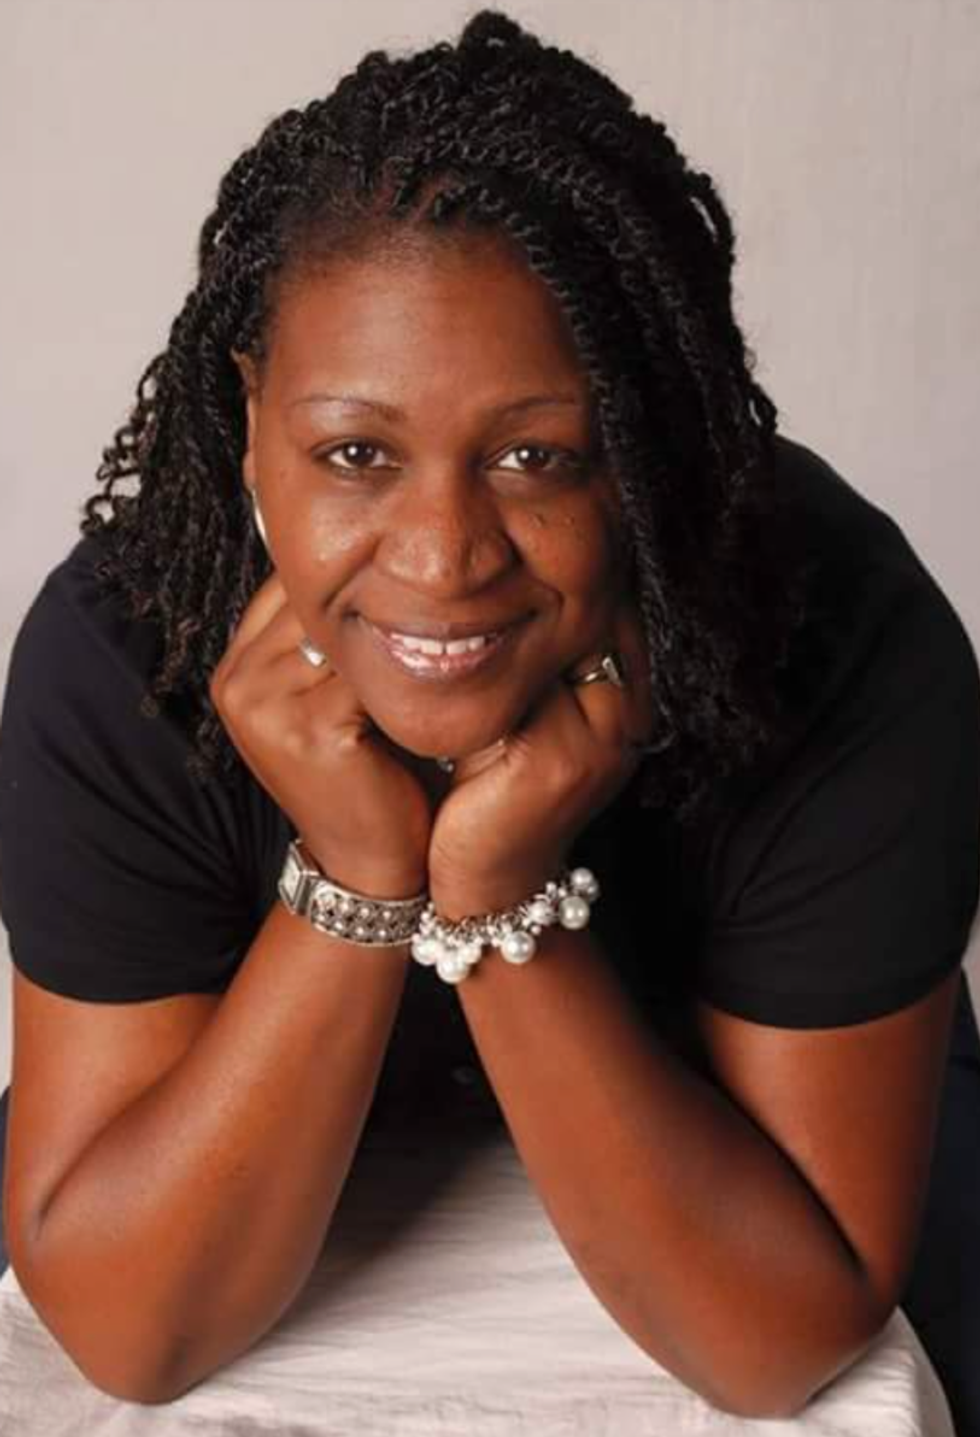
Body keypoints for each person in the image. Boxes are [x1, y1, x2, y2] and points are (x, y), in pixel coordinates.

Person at [0, 6, 978, 1425]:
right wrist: (356, 874)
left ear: (648, 444)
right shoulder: (124, 656)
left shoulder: (839, 634)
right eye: (356, 451)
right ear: (252, 418)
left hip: (730, 1191)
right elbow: (133, 1332)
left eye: (538, 456)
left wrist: (499, 890)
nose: (444, 556)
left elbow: (772, 1345)